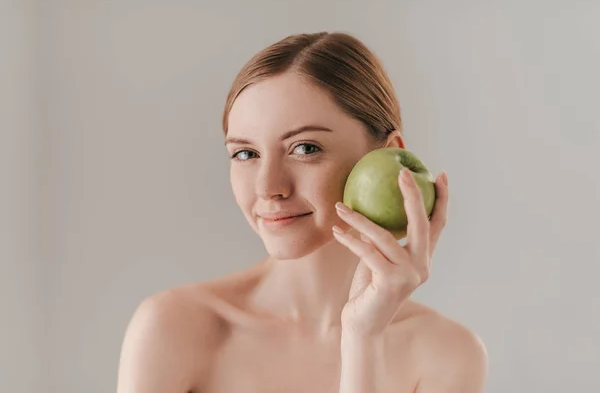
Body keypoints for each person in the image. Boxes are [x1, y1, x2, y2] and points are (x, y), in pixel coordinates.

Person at [116, 31, 488, 393]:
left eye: (305, 148)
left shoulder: (448, 355)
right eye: (246, 154)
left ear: (388, 155)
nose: (268, 187)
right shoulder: (173, 328)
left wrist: (362, 338)